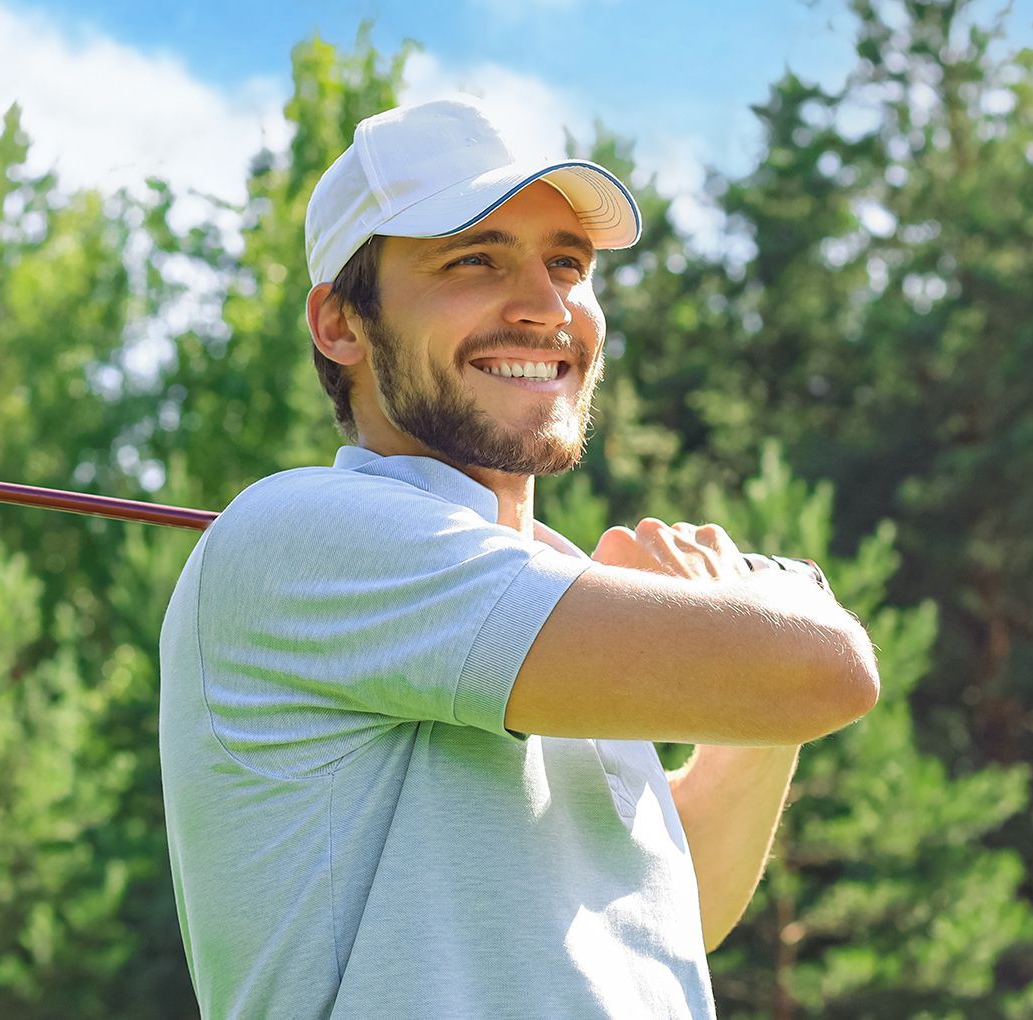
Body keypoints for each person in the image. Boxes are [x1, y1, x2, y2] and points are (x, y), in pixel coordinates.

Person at [158, 95, 880, 1019]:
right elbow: (830, 674)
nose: (547, 307)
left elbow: (666, 910)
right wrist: (785, 598)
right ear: (340, 323)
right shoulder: (305, 534)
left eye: (568, 264)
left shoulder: (543, 595)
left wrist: (746, 690)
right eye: (474, 259)